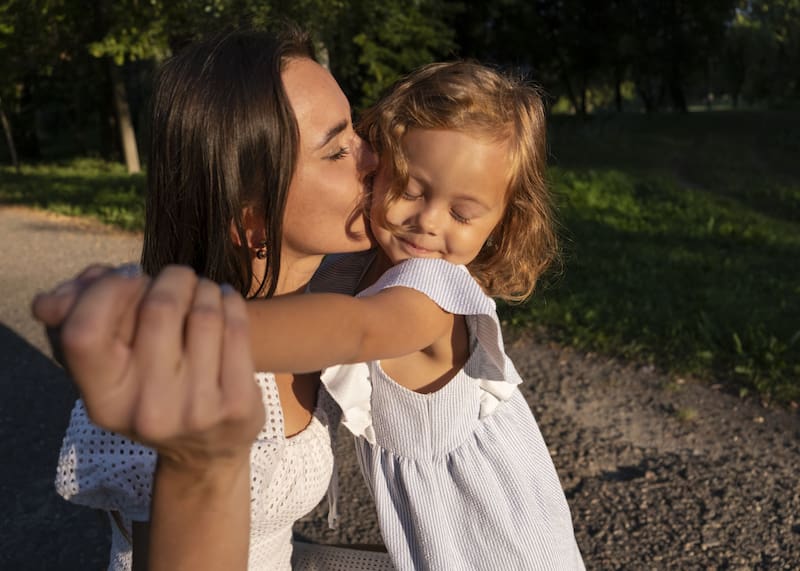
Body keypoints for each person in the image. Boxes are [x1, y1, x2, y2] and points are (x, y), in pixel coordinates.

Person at [36, 28, 394, 571]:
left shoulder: (330, 284)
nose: (373, 157)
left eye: (359, 130)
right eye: (337, 149)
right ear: (253, 221)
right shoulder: (181, 374)